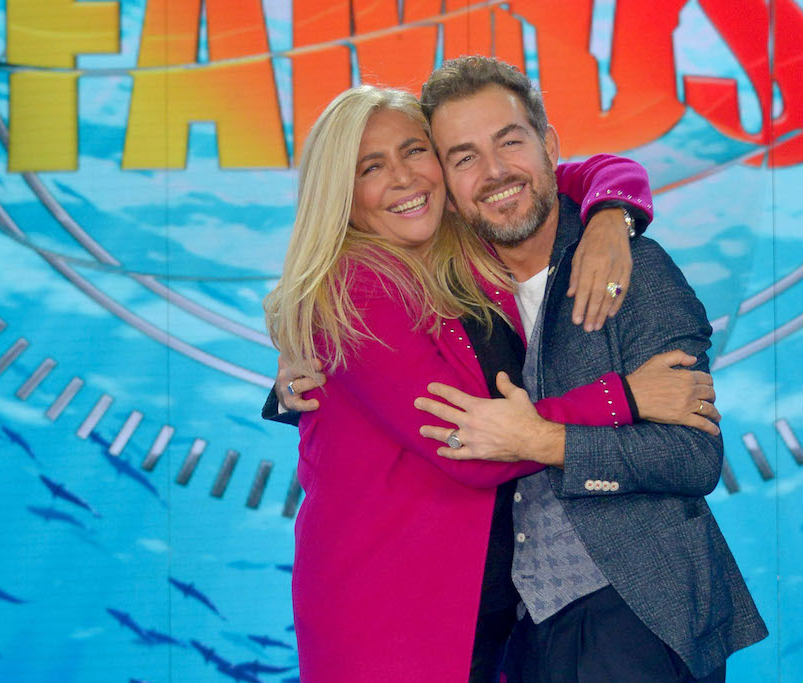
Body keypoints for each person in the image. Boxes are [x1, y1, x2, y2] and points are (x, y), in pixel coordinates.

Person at [261, 85, 721, 683]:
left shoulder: (464, 252)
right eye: (370, 167)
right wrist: (624, 397)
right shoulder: (356, 287)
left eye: (415, 151)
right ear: (339, 195)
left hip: (516, 613)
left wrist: (613, 214)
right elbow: (470, 445)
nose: (403, 178)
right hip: (393, 616)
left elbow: (569, 175)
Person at [409, 56, 769, 683]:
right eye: (464, 157)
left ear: (548, 146)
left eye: (510, 142)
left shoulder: (635, 267)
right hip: (515, 635)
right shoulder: (447, 295)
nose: (494, 172)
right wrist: (302, 370)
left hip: (638, 613)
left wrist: (545, 441)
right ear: (444, 184)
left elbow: (694, 457)